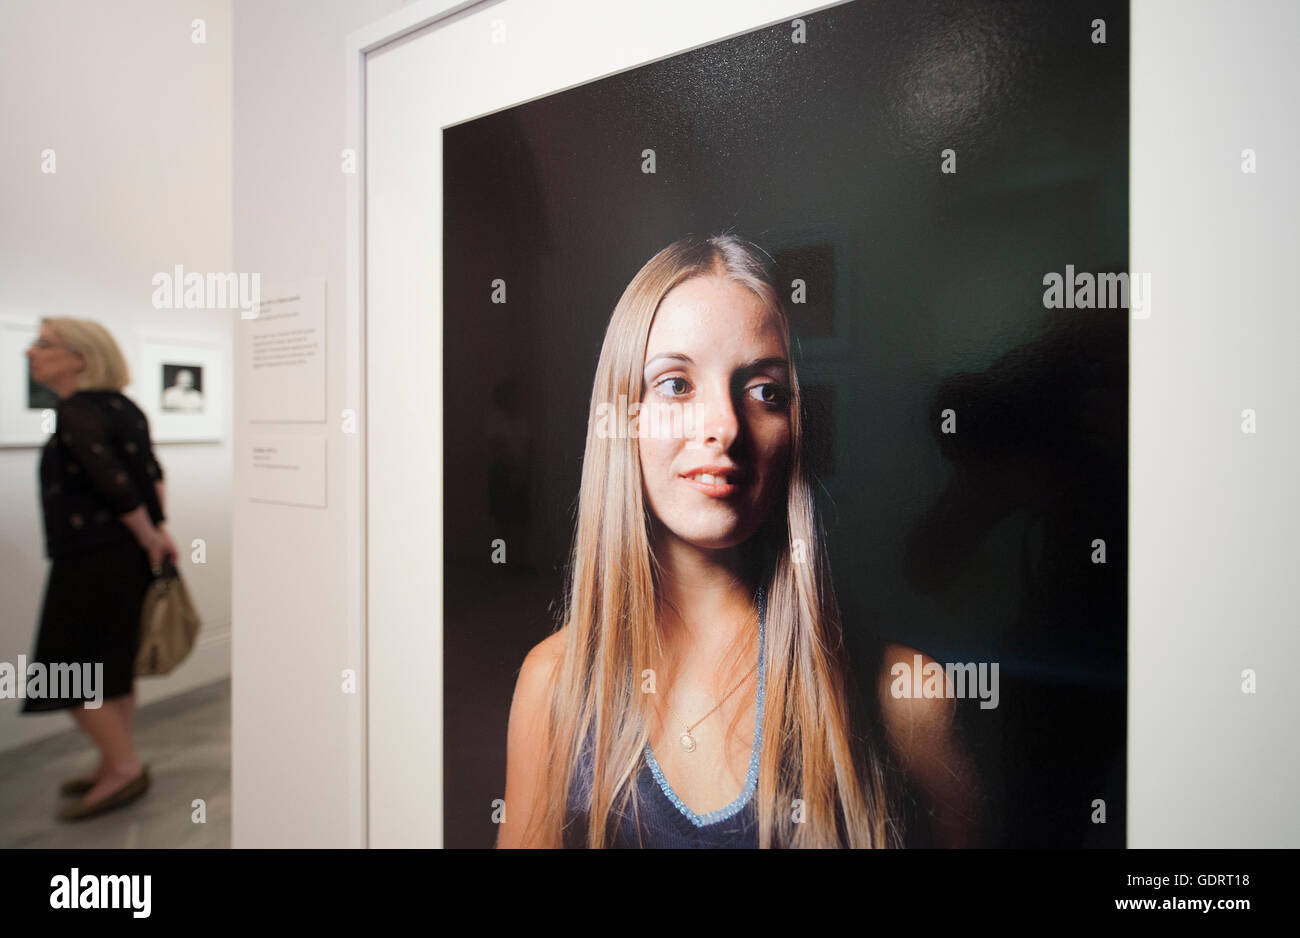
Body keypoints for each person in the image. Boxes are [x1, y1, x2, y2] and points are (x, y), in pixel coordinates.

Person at [499, 233, 981, 848]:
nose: (725, 426)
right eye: (676, 384)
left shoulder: (908, 696)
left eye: (764, 392)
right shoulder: (555, 687)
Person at [21, 317, 178, 822]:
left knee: (65, 674)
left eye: (44, 344)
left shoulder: (75, 412)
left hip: (92, 558)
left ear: (79, 358)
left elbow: (114, 484)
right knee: (110, 667)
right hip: (123, 558)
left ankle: (123, 767)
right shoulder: (124, 407)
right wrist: (159, 533)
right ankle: (113, 760)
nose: (31, 352)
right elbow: (151, 474)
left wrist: (151, 534)